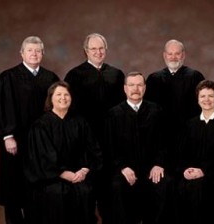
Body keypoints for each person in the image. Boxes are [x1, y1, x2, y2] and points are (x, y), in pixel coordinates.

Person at [0, 36, 59, 224]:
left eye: (38, 50)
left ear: (43, 53)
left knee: (38, 181)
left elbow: (58, 107)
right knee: (14, 182)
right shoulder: (7, 77)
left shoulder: (50, 78)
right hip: (15, 140)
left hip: (41, 140)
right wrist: (7, 136)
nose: (34, 54)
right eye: (30, 50)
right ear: (22, 53)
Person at [64, 33, 125, 222]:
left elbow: (123, 108)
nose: (98, 52)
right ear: (86, 51)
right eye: (93, 49)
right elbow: (69, 109)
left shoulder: (116, 74)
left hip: (111, 136)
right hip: (85, 137)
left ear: (106, 50)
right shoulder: (74, 75)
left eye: (101, 49)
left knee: (109, 181)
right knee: (88, 180)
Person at [23, 81, 103, 224]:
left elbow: (92, 149)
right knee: (57, 193)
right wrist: (63, 173)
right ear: (51, 98)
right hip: (50, 177)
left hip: (78, 174)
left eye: (66, 94)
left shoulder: (80, 122)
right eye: (58, 94)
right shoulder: (41, 125)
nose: (63, 98)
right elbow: (42, 156)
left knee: (84, 191)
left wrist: (84, 170)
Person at [105, 72, 176, 224]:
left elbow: (165, 143)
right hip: (126, 168)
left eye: (139, 85)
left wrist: (159, 164)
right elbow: (110, 146)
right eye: (131, 85)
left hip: (152, 168)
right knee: (116, 186)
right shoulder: (114, 114)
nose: (135, 89)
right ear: (125, 88)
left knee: (166, 184)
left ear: (145, 88)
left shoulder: (157, 111)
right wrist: (122, 167)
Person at [176, 80, 214, 224]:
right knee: (178, 187)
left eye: (210, 96)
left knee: (200, 189)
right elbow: (184, 154)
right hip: (193, 175)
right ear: (197, 100)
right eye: (203, 96)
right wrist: (186, 170)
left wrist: (205, 172)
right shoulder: (191, 124)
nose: (206, 100)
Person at [144, 39, 205, 172]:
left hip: (189, 137)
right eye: (170, 54)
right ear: (164, 55)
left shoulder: (195, 77)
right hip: (161, 138)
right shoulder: (154, 79)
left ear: (183, 55)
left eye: (177, 53)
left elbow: (203, 108)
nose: (173, 57)